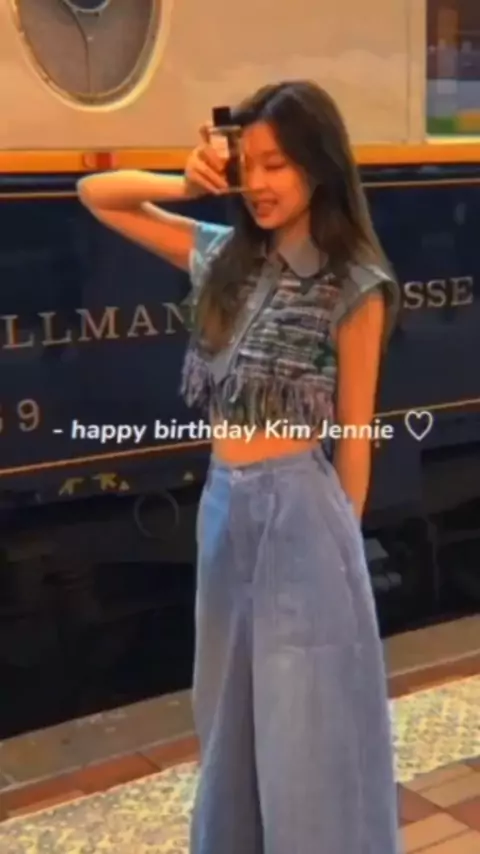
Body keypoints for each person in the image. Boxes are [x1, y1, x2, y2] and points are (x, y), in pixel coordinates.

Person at [77, 80, 402, 854]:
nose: (258, 182)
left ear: (319, 166)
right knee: (225, 714)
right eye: (247, 163)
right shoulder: (221, 256)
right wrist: (185, 182)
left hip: (303, 511)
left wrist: (343, 554)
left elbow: (355, 435)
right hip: (225, 507)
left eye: (276, 164)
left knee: (308, 721)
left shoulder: (353, 285)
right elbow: (96, 195)